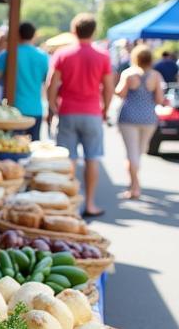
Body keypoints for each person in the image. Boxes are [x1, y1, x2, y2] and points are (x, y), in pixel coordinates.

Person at [46, 13, 114, 218]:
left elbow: (52, 83)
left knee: (68, 161)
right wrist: (105, 110)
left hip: (67, 110)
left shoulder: (62, 54)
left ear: (74, 30)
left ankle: (68, 203)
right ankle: (90, 203)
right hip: (92, 112)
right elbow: (108, 87)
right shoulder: (103, 55)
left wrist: (52, 105)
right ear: (94, 31)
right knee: (93, 158)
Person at [114, 44, 165, 201]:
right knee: (139, 152)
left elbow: (120, 93)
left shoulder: (128, 74)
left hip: (129, 118)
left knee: (131, 153)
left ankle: (134, 186)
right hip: (148, 118)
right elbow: (159, 99)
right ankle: (134, 183)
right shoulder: (155, 76)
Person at [0, 22, 50, 141]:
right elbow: (46, 81)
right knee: (34, 149)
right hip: (35, 109)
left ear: (17, 35)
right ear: (33, 36)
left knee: (11, 148)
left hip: (12, 110)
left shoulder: (7, 54)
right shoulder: (42, 56)